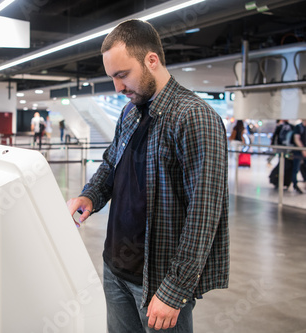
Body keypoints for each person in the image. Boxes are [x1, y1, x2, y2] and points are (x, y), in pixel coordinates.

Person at [66, 20, 229, 333]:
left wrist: (176, 290)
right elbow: (111, 165)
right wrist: (90, 196)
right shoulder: (130, 112)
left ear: (151, 60)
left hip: (157, 280)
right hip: (115, 269)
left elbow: (205, 213)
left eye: (122, 75)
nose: (117, 87)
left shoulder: (193, 116)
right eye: (112, 77)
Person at [291, 119, 306, 194]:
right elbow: (296, 139)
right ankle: (295, 184)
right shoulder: (299, 127)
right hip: (298, 152)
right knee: (296, 169)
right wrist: (303, 150)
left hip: (303, 151)